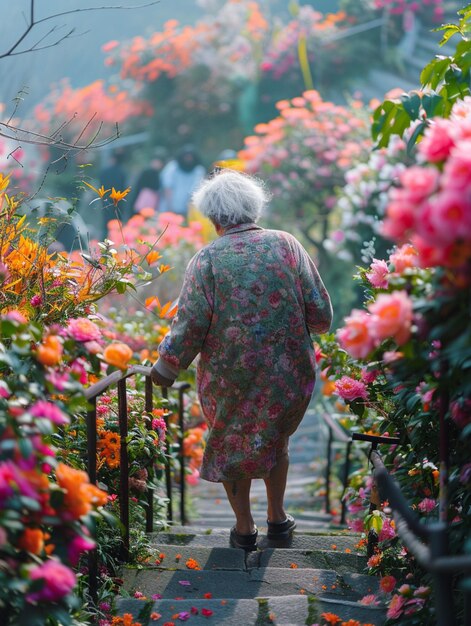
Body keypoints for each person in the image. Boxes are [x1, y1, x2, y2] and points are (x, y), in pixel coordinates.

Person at [151, 169, 332, 551]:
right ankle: (277, 520)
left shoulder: (207, 260)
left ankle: (244, 528)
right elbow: (320, 314)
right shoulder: (287, 245)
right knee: (275, 438)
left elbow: (191, 322)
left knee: (233, 440)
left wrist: (167, 366)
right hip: (287, 371)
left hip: (228, 374)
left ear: (214, 217)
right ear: (254, 207)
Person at [160, 144, 205, 217]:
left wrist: (190, 213)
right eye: (186, 157)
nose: (188, 159)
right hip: (168, 209)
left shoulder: (198, 170)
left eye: (190, 157)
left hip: (186, 211)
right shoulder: (172, 167)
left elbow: (195, 191)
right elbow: (167, 188)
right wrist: (170, 209)